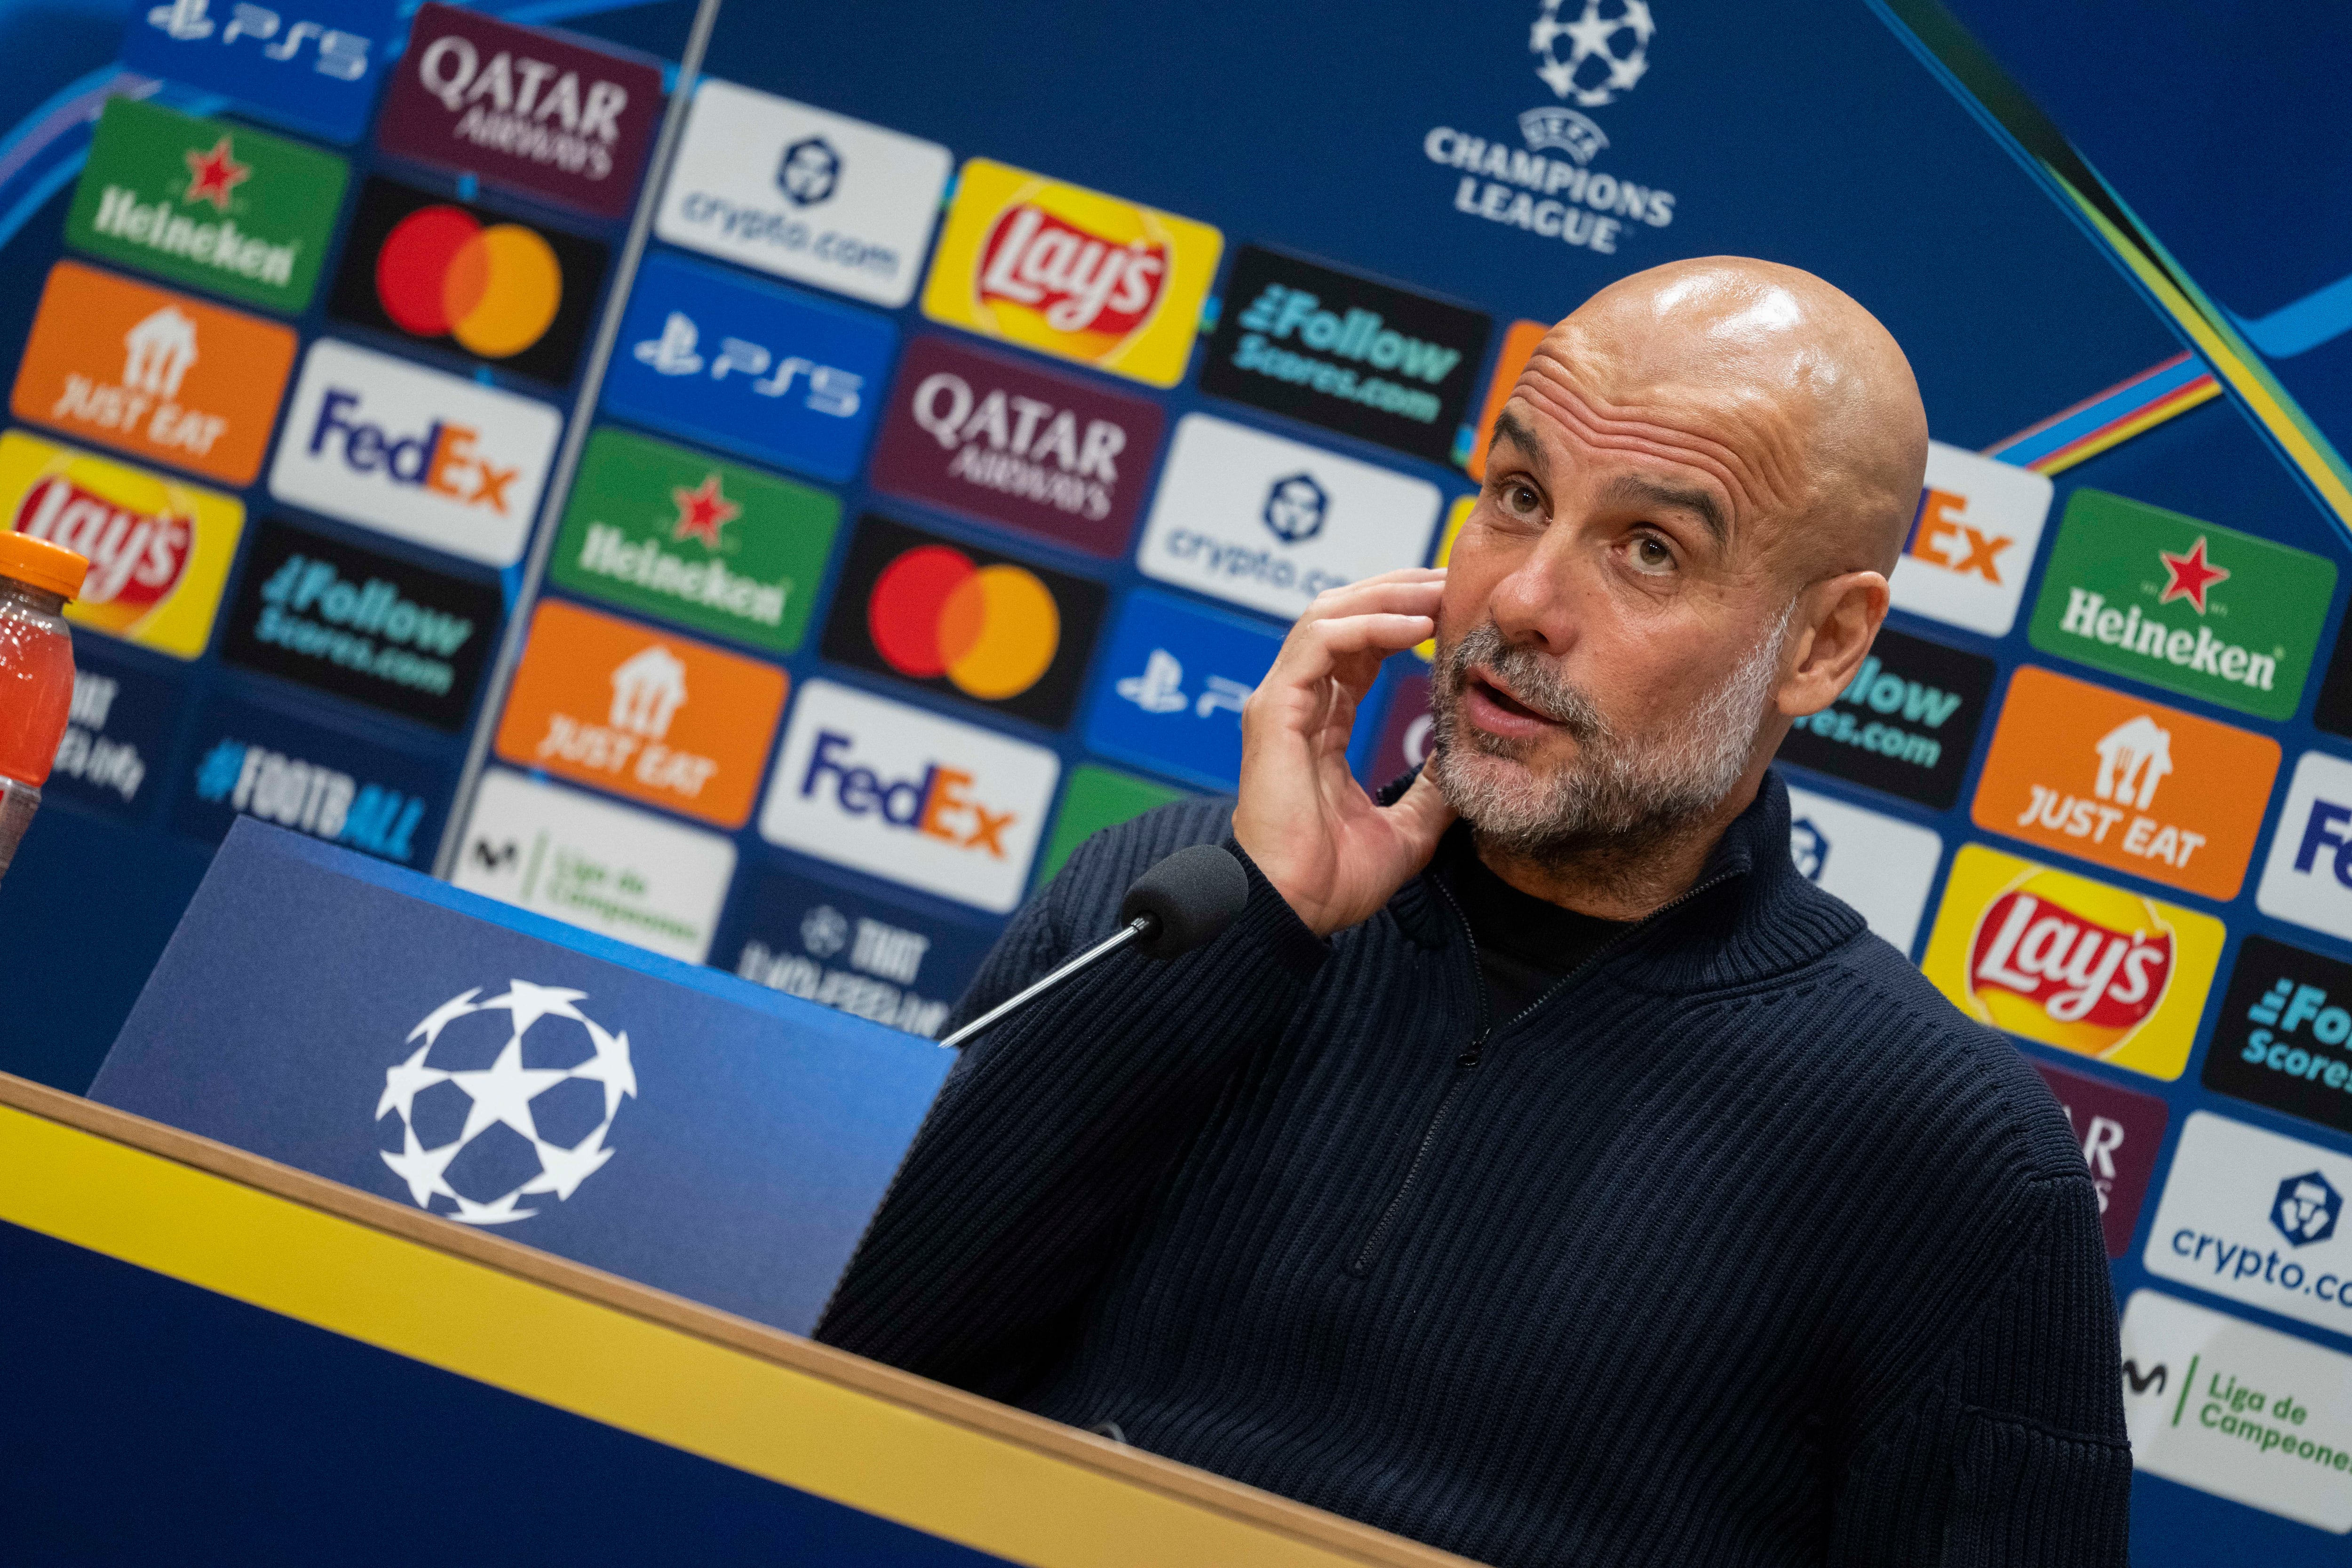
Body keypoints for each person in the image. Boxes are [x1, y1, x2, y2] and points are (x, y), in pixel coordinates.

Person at [816, 257, 2129, 1568]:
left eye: (1650, 549)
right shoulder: (1173, 907)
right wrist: (1256, 937)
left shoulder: (1955, 1160)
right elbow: (824, 1366)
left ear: (1823, 646)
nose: (1516, 602)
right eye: (1516, 496)